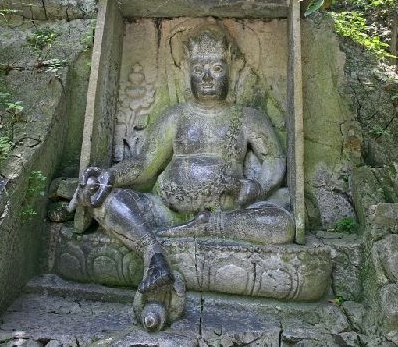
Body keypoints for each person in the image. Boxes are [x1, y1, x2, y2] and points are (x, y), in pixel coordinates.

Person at [73, 26, 294, 295]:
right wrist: (111, 176)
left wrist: (257, 188)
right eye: (199, 69)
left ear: (232, 71)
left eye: (216, 69)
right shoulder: (175, 116)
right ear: (187, 72)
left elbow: (274, 160)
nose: (207, 78)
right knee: (106, 200)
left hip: (226, 214)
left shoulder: (247, 117)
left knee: (281, 224)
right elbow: (144, 165)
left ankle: (208, 227)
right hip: (167, 212)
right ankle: (154, 255)